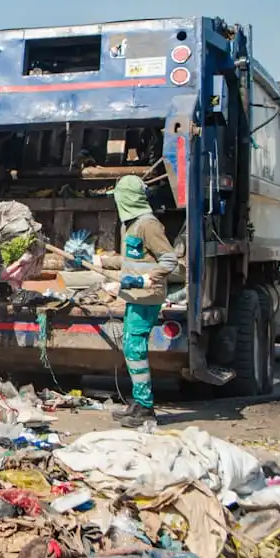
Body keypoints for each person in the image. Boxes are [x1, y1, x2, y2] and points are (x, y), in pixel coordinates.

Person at [93, 175, 178, 428]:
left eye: (119, 195)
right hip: (133, 296)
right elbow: (130, 260)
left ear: (128, 198)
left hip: (146, 296)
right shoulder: (130, 225)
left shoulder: (148, 225)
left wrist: (143, 280)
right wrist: (101, 261)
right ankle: (138, 404)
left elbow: (169, 260)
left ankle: (145, 408)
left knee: (135, 348)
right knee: (131, 347)